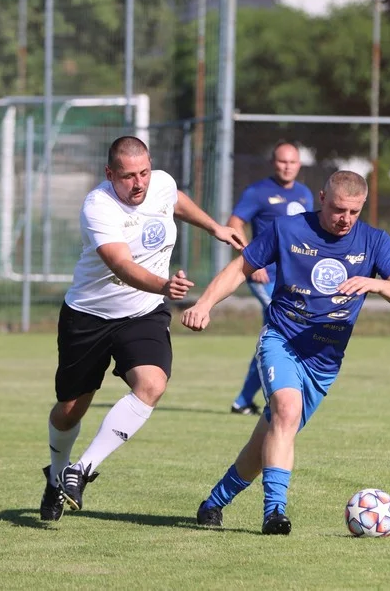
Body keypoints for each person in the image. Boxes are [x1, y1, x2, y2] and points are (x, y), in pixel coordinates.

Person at [181, 170, 390, 535]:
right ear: (322, 198)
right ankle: (274, 513)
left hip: (324, 362)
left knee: (268, 438)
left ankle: (214, 502)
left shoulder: (374, 242)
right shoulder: (288, 229)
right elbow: (240, 268)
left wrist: (375, 283)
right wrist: (205, 304)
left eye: (355, 212)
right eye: (340, 209)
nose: (346, 219)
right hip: (282, 339)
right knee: (287, 412)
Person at [39, 135, 245, 522]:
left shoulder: (160, 184)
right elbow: (121, 265)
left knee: (151, 385)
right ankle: (56, 476)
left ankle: (80, 471)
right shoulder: (98, 206)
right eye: (128, 176)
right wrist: (164, 285)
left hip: (143, 313)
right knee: (70, 410)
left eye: (144, 172)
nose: (139, 184)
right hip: (88, 316)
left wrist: (213, 227)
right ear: (109, 174)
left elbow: (175, 199)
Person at [226, 140, 313, 415]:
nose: (287, 167)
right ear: (273, 163)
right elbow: (234, 224)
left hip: (292, 279)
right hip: (266, 278)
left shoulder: (304, 194)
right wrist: (253, 259)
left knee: (275, 335)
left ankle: (243, 401)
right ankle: (270, 397)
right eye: (282, 161)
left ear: (299, 165)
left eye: (293, 162)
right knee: (284, 330)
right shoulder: (258, 192)